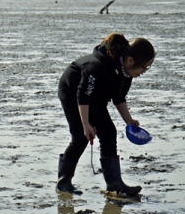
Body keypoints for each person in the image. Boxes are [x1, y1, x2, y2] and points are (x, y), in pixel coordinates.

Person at [57, 33, 155, 196]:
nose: (144, 72)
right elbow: (83, 95)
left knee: (109, 133)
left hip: (96, 97)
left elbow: (118, 97)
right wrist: (86, 124)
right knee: (80, 137)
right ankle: (64, 182)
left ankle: (114, 184)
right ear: (130, 60)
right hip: (72, 92)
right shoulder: (97, 66)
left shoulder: (126, 73)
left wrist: (129, 121)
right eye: (145, 67)